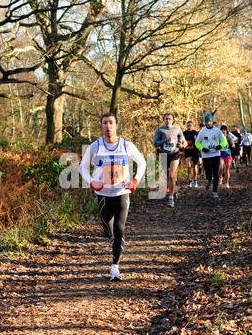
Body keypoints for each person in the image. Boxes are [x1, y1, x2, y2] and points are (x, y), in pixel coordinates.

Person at [79, 112, 146, 281]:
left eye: (111, 123)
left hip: (122, 192)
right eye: (104, 123)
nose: (108, 127)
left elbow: (142, 162)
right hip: (103, 194)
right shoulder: (95, 146)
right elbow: (82, 167)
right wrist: (92, 181)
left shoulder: (126, 145)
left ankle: (115, 266)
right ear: (101, 126)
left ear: (116, 125)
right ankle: (106, 228)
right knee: (108, 231)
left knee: (119, 229)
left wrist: (136, 180)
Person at [153, 113, 187, 207]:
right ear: (163, 120)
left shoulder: (177, 129)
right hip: (163, 154)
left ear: (173, 120)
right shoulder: (159, 130)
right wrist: (165, 140)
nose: (168, 120)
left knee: (171, 176)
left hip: (174, 154)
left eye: (170, 119)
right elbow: (155, 144)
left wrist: (182, 145)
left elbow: (183, 141)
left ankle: (171, 198)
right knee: (168, 176)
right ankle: (174, 189)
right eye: (166, 119)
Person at [195, 113, 227, 198]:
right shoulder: (202, 131)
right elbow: (197, 143)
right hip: (206, 156)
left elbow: (224, 141)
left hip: (216, 154)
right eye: (207, 122)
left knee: (216, 172)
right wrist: (202, 148)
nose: (209, 123)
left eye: (210, 121)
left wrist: (220, 146)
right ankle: (208, 180)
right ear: (205, 122)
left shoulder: (217, 131)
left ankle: (215, 190)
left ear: (212, 121)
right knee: (208, 173)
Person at [183, 120, 199, 187]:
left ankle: (195, 180)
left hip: (195, 151)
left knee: (194, 167)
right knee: (188, 166)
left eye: (190, 126)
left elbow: (199, 142)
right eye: (188, 126)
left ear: (193, 126)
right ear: (186, 126)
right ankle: (189, 181)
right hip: (187, 151)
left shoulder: (196, 133)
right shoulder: (184, 133)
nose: (189, 127)